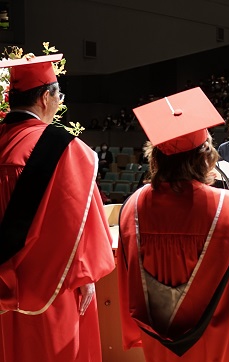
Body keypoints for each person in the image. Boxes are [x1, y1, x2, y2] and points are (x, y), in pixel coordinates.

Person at [118, 87, 229, 362]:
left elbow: (129, 288)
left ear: (156, 156)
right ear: (205, 156)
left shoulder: (132, 210)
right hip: (219, 349)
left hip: (160, 350)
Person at [0, 54, 115, 361]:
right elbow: (83, 228)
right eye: (58, 95)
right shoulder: (64, 150)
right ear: (45, 97)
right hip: (50, 290)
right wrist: (85, 276)